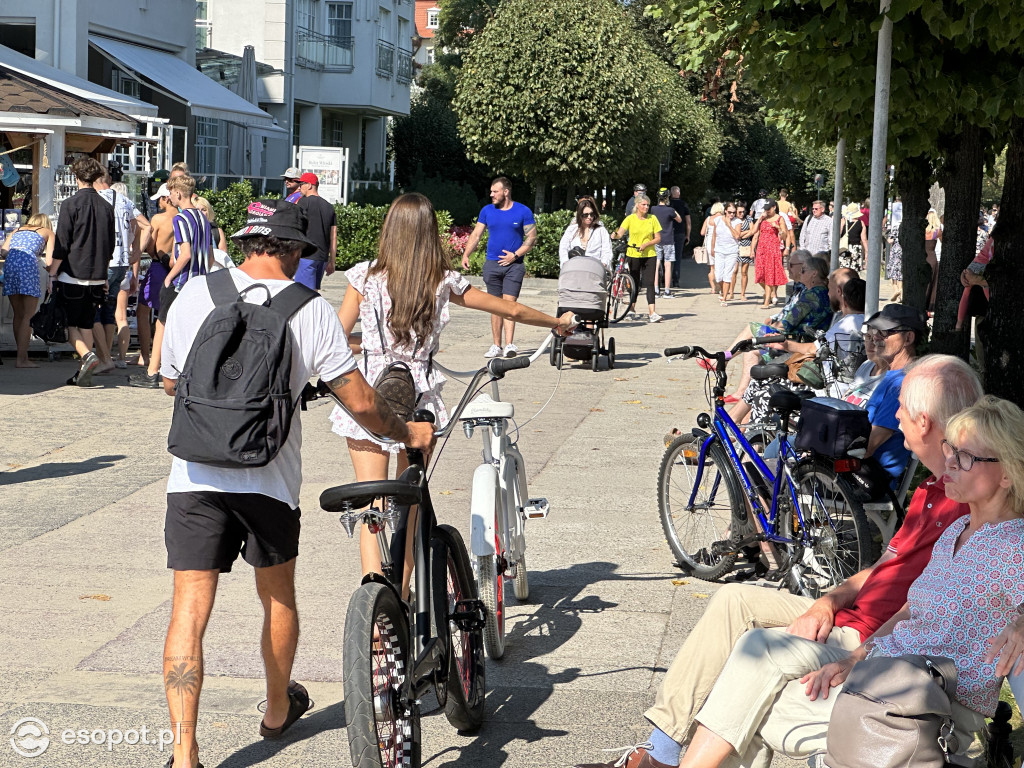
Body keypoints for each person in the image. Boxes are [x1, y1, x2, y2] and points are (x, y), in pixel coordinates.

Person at [578, 354, 984, 768]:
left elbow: (924, 606)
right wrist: (829, 601)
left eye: (900, 406)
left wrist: (855, 654)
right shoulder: (932, 490)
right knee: (732, 599)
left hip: (868, 637)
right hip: (851, 617)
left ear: (923, 423)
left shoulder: (968, 508)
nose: (893, 415)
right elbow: (884, 567)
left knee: (756, 655)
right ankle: (659, 754)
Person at [157, 199, 435, 768]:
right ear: (290, 250)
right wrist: (407, 430)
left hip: (194, 477)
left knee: (189, 610)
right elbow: (360, 404)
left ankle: (184, 753)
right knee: (277, 596)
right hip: (269, 481)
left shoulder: (194, 296)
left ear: (244, 242)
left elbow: (168, 382)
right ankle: (278, 709)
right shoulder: (308, 311)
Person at [649, 395, 1024, 768]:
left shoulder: (1014, 543)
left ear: (1007, 473)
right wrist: (852, 658)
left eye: (967, 457)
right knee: (750, 681)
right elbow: (910, 611)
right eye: (951, 450)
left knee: (749, 701)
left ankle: (663, 757)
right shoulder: (958, 530)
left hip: (927, 703)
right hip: (881, 672)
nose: (952, 463)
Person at [329, 193, 575, 586]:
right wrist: (556, 322)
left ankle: (375, 603)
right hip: (418, 401)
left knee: (370, 508)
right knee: (407, 511)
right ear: (430, 234)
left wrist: (373, 346)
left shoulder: (363, 277)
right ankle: (406, 596)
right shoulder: (442, 281)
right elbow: (507, 308)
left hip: (369, 397)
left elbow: (339, 338)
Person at [130, 175, 212, 388]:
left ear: (177, 193)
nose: (169, 197)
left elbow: (184, 254)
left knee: (163, 323)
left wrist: (169, 275)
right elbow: (208, 255)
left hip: (181, 281)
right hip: (200, 280)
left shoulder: (181, 219)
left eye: (171, 192)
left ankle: (152, 372)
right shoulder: (203, 218)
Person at [46, 157, 115, 387]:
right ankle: (83, 373)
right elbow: (109, 244)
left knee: (69, 325)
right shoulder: (106, 206)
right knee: (86, 323)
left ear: (76, 177)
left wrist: (52, 274)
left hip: (72, 274)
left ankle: (87, 357)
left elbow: (62, 244)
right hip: (97, 276)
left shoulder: (70, 204)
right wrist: (104, 274)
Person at [461, 177, 537, 358]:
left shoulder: (523, 211)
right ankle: (497, 345)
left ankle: (510, 344)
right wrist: (466, 254)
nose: (491, 195)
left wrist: (515, 255)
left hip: (514, 265)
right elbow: (476, 234)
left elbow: (532, 238)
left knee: (509, 305)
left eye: (495, 191)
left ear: (506, 191)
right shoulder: (487, 211)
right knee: (495, 306)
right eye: (491, 191)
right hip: (492, 265)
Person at [95, 173, 151, 369]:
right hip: (123, 264)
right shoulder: (126, 204)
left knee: (95, 311)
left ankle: (104, 356)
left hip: (105, 263)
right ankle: (117, 356)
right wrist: (136, 254)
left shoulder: (98, 200)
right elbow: (146, 226)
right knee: (117, 314)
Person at [1, 213, 55, 367]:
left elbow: (3, 251)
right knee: (28, 316)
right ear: (45, 223)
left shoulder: (16, 231)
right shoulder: (48, 232)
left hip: (11, 264)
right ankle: (22, 359)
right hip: (28, 266)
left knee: (18, 314)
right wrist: (52, 273)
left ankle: (21, 354)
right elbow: (50, 260)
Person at [134, 186, 175, 372]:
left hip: (159, 266)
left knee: (143, 310)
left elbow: (150, 247)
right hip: (177, 268)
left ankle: (145, 354)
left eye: (160, 199)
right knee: (169, 315)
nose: (158, 202)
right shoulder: (184, 218)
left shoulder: (159, 219)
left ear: (167, 199)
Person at [613, 194, 663, 323]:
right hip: (633, 254)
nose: (646, 207)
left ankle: (652, 312)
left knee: (650, 283)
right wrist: (614, 235)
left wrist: (646, 244)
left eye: (648, 205)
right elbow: (620, 233)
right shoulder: (630, 219)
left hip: (649, 255)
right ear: (637, 206)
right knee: (634, 283)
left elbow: (658, 238)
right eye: (644, 205)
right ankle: (631, 309)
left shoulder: (653, 219)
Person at [294, 173, 337, 291]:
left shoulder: (303, 203)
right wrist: (332, 261)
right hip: (322, 258)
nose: (299, 188)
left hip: (307, 255)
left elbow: (296, 228)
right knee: (313, 293)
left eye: (301, 184)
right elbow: (333, 236)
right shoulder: (329, 207)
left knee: (302, 293)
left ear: (309, 185)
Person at [750, 199, 788, 307]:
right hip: (761, 249)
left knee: (769, 275)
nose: (767, 211)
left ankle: (766, 301)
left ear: (774, 207)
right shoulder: (763, 219)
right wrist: (760, 218)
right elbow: (754, 232)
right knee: (760, 275)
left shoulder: (779, 219)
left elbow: (784, 236)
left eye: (768, 209)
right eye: (765, 209)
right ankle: (771, 292)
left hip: (773, 250)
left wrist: (778, 228)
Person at [558, 197, 613, 269]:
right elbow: (563, 247)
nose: (589, 217)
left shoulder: (601, 231)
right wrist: (565, 262)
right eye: (585, 215)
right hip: (574, 269)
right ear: (580, 215)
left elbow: (607, 250)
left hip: (594, 270)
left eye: (591, 214)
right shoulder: (572, 230)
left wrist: (604, 264)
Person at [708, 202, 741, 305]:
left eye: (734, 213)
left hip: (731, 251)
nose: (732, 214)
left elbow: (737, 236)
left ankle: (724, 298)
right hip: (719, 250)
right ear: (725, 211)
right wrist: (712, 248)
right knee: (718, 276)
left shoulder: (737, 221)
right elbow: (714, 235)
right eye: (730, 212)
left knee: (727, 274)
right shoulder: (717, 220)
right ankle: (723, 291)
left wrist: (729, 225)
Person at [651, 190, 682, 298]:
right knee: (667, 264)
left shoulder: (653, 209)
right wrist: (673, 209)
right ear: (667, 198)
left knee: (656, 264)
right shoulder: (670, 210)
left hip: (656, 239)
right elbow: (679, 220)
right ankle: (667, 291)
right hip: (668, 240)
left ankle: (655, 290)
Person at [669, 186, 691, 286]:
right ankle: (676, 280)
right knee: (677, 257)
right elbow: (688, 222)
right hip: (680, 233)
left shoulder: (668, 204)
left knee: (666, 257)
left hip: (668, 233)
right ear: (679, 193)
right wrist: (688, 235)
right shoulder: (683, 204)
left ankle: (664, 278)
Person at [734, 204, 754, 301]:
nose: (742, 214)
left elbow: (753, 230)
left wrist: (742, 235)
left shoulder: (748, 219)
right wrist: (745, 232)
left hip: (746, 245)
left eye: (743, 212)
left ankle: (742, 293)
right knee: (734, 271)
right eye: (739, 212)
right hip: (735, 246)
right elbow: (734, 233)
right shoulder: (733, 219)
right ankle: (730, 292)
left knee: (744, 272)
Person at [925, 209, 942, 309]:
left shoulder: (922, 231)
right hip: (932, 257)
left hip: (924, 256)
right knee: (932, 283)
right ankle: (930, 305)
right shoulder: (937, 232)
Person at [884, 212, 902, 302]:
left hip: (895, 251)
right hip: (904, 250)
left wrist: (886, 236)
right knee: (900, 273)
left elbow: (890, 240)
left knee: (892, 272)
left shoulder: (896, 227)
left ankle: (896, 290)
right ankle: (900, 294)